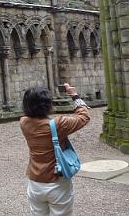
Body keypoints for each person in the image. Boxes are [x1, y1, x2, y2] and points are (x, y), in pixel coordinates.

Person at [20, 84, 90, 216]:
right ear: (47, 104)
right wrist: (74, 95)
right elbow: (84, 116)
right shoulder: (58, 124)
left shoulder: (23, 122)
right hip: (56, 182)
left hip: (35, 182)